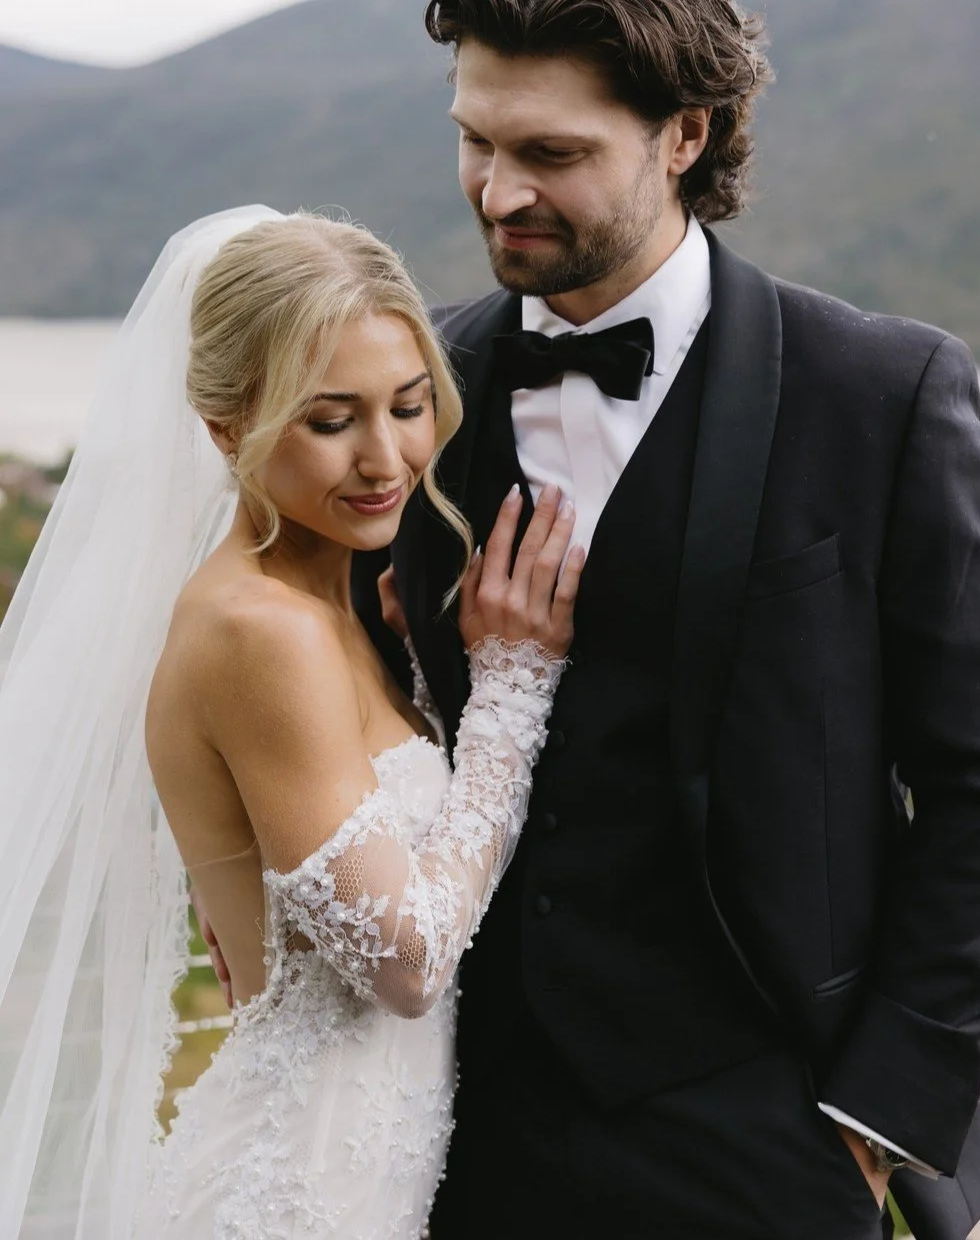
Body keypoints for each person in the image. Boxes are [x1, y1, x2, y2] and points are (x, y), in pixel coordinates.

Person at [346, 0, 980, 1240]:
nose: (498, 191)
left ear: (686, 134)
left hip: (769, 1129)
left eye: (550, 153)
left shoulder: (880, 391)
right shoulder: (409, 390)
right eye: (475, 141)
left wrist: (874, 1115)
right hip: (453, 1125)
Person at [0, 207, 583, 1239]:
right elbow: (403, 962)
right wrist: (511, 693)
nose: (385, 458)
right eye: (329, 421)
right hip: (290, 1197)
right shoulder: (261, 632)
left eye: (408, 405)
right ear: (228, 428)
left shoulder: (336, 606)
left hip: (364, 1181)